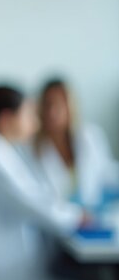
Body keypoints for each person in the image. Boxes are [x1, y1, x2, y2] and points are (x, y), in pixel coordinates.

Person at [0, 85, 88, 280]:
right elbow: (34, 205)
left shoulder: (2, 153)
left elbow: (36, 197)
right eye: (29, 115)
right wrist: (77, 217)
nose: (35, 123)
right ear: (6, 118)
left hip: (2, 267)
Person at [33, 78, 119, 208]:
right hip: (55, 221)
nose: (52, 112)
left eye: (58, 104)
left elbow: (106, 172)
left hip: (93, 215)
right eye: (47, 105)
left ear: (70, 106)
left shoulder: (90, 136)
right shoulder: (33, 147)